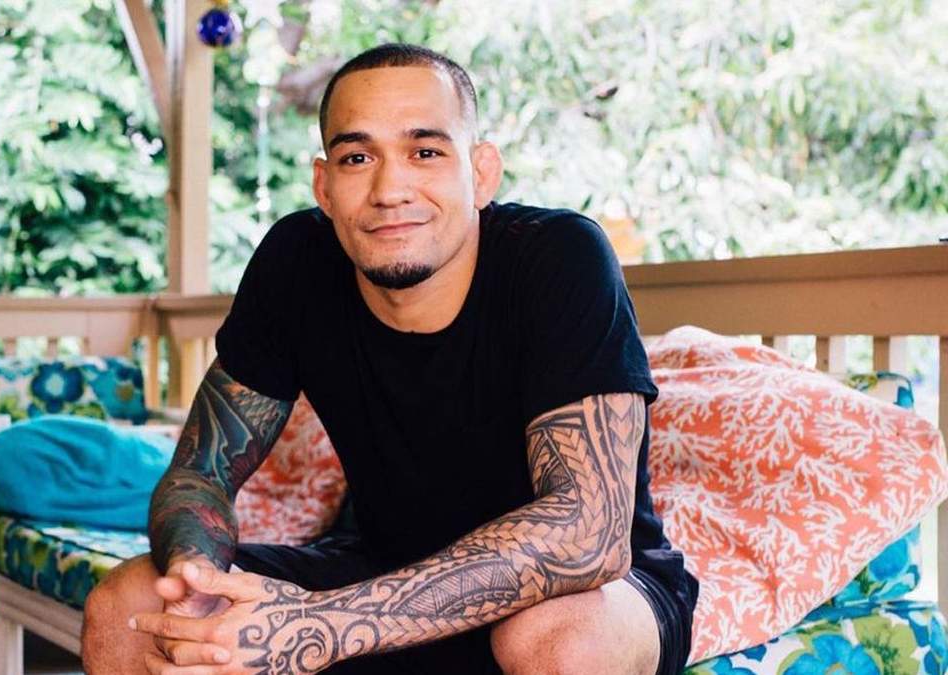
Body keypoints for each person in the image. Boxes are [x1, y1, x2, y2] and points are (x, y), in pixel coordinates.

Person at [81, 43, 699, 675]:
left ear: (482, 172)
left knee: (557, 643)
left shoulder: (558, 256)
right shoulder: (298, 262)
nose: (389, 190)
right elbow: (198, 475)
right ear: (324, 185)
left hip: (586, 594)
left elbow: (588, 534)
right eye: (357, 157)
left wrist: (319, 625)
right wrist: (198, 575)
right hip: (380, 569)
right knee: (129, 605)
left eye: (425, 152)